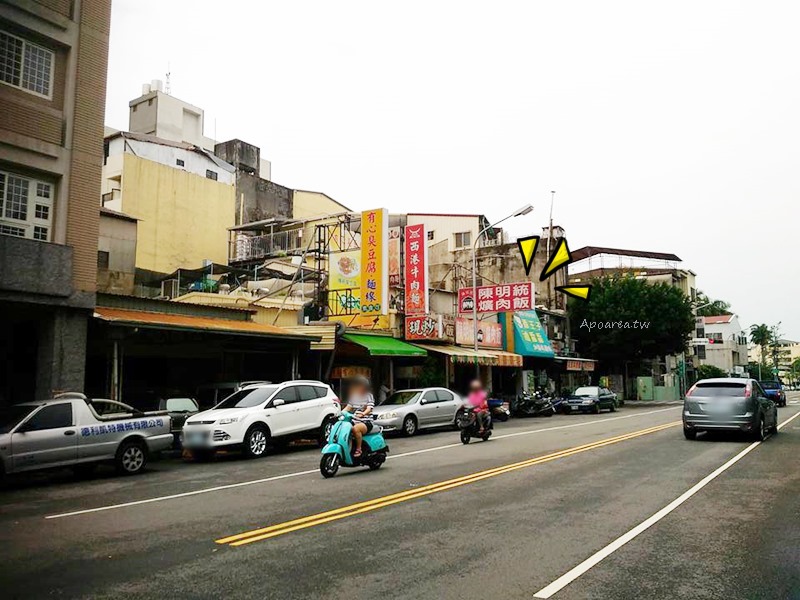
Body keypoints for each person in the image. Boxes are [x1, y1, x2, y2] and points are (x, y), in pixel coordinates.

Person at [343, 375, 375, 458]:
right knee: (344, 428)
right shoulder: (354, 396)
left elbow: (369, 409)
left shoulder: (369, 396)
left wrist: (363, 413)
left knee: (356, 429)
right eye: (357, 385)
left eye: (361, 385)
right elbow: (348, 407)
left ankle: (358, 449)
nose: (359, 387)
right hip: (355, 420)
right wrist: (340, 413)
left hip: (366, 422)